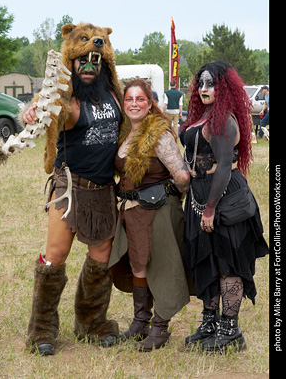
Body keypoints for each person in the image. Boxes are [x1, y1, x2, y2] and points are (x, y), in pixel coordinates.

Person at [22, 23, 123, 356]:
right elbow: (48, 105)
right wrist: (34, 109)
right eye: (83, 61)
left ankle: (92, 324)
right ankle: (41, 330)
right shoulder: (67, 98)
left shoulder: (114, 95)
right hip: (70, 186)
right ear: (72, 62)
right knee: (55, 257)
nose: (89, 67)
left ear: (104, 62)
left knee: (101, 259)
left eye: (96, 59)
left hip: (104, 189)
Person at [179, 61, 269, 352]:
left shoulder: (222, 120)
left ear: (224, 87)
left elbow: (224, 168)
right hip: (198, 194)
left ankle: (230, 330)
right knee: (206, 260)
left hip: (223, 198)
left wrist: (210, 208)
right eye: (201, 84)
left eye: (211, 84)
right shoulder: (203, 116)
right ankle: (210, 324)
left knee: (227, 261)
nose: (204, 89)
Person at [108, 78, 191, 352]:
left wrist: (169, 196)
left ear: (149, 103)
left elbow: (181, 175)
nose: (134, 104)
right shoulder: (124, 132)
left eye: (140, 99)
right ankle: (140, 322)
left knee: (161, 266)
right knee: (138, 266)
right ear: (123, 103)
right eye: (129, 99)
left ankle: (160, 327)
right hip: (132, 211)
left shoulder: (158, 133)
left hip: (157, 211)